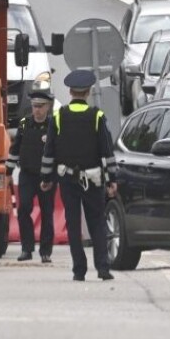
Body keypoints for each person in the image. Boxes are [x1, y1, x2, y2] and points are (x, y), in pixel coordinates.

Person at [41, 69, 119, 282]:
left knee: (73, 224)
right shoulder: (97, 116)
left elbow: (49, 152)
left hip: (67, 180)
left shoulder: (58, 117)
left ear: (70, 91)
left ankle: (79, 270)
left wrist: (47, 179)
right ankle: (103, 268)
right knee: (97, 223)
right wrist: (112, 179)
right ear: (88, 92)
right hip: (93, 180)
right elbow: (107, 152)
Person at [6, 87, 56, 263]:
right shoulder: (25, 124)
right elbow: (15, 149)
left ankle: (45, 251)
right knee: (23, 209)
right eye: (35, 106)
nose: (37, 109)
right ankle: (27, 249)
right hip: (27, 174)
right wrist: (8, 171)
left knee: (47, 213)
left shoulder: (53, 125)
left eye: (41, 106)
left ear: (48, 107)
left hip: (47, 177)